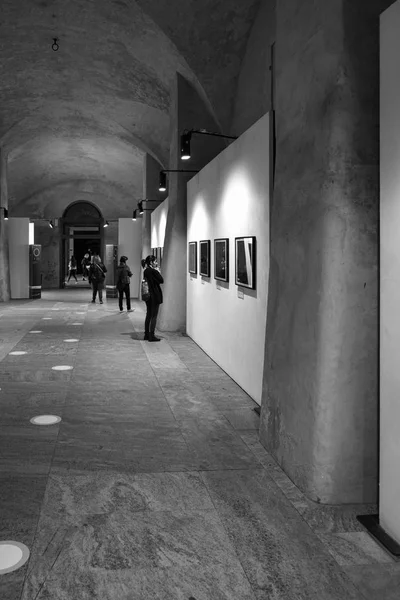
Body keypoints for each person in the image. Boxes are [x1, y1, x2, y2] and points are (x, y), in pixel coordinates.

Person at [142, 254, 164, 342]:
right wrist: (157, 270)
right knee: (154, 316)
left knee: (148, 315)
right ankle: (152, 335)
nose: (156, 263)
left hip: (148, 295)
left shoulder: (146, 271)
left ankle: (146, 334)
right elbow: (161, 280)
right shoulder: (154, 271)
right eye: (155, 261)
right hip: (154, 295)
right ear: (151, 262)